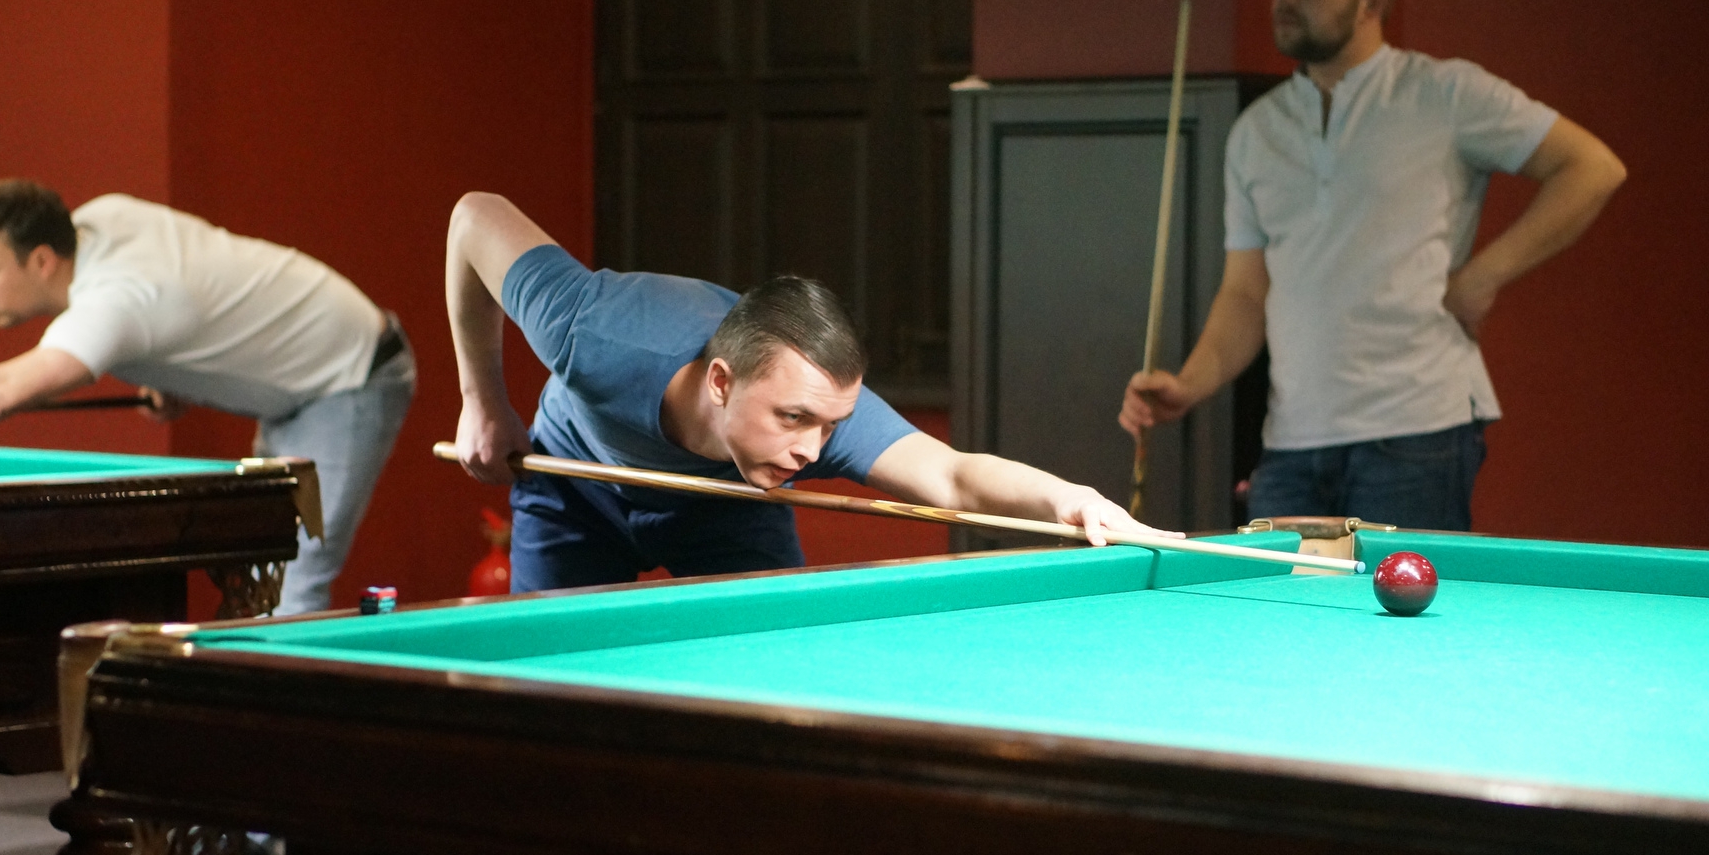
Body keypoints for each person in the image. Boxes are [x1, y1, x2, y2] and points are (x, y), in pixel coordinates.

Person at [1118, 0, 1626, 530]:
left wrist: (1484, 276)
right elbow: (1247, 291)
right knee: (1278, 597)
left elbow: (1593, 167)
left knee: (1405, 597)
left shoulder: (1446, 93)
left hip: (1418, 431)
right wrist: (1190, 384)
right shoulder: (1256, 132)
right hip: (1292, 440)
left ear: (1372, 1)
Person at [444, 192, 1172, 592]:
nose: (812, 449)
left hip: (729, 503)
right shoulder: (598, 331)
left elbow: (951, 475)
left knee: (770, 683)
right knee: (546, 686)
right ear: (722, 381)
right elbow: (474, 217)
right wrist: (483, 400)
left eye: (828, 425)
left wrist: (1071, 500)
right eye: (793, 418)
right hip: (577, 484)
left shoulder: (817, 420)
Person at [0, 180, 414, 613]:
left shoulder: (118, 302)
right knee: (268, 566)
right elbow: (197, 283)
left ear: (42, 259)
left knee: (290, 580)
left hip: (350, 377)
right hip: (304, 372)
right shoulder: (101, 218)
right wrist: (169, 370)